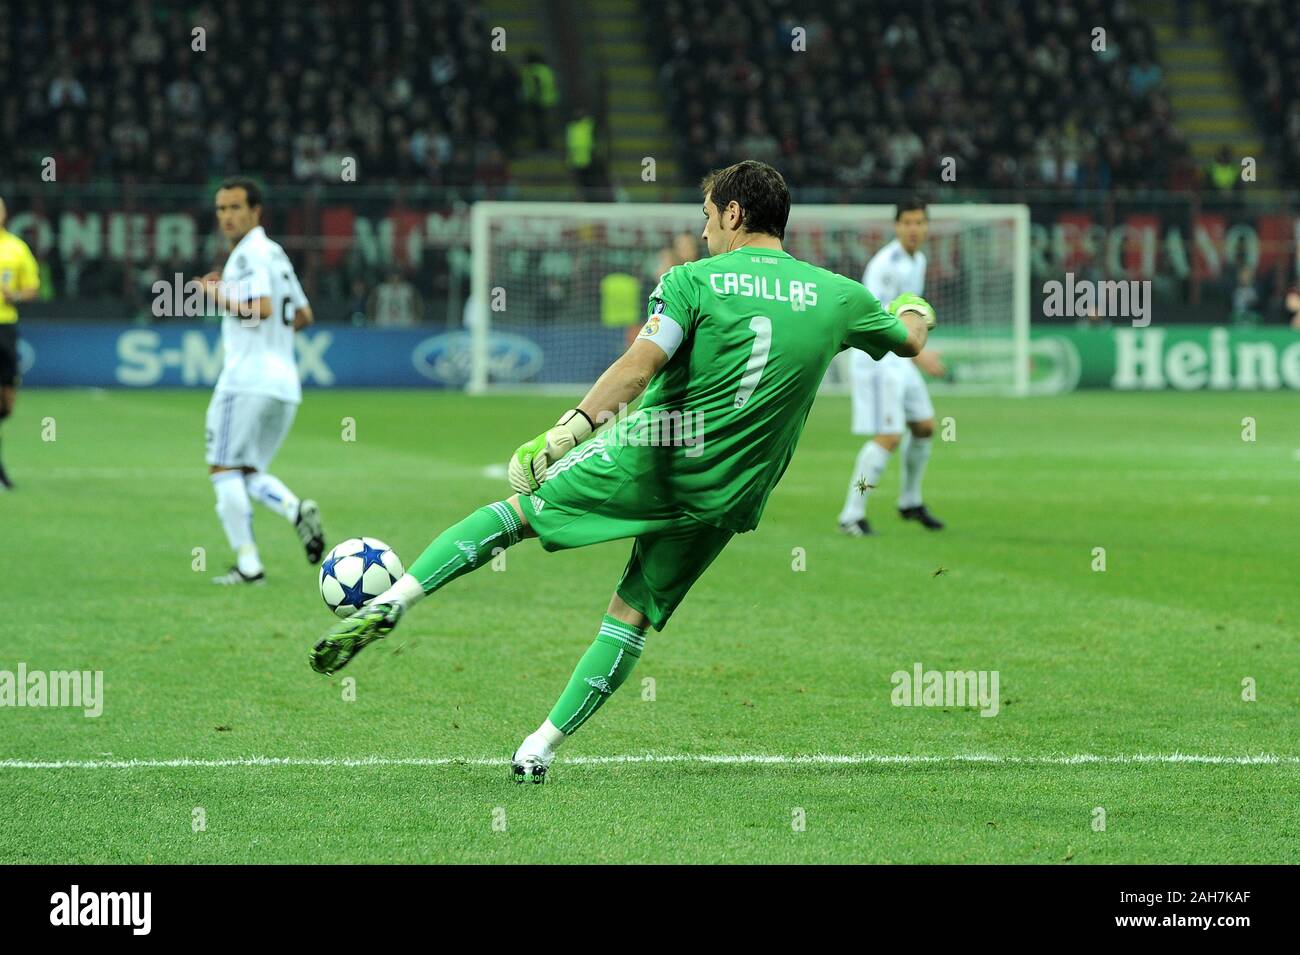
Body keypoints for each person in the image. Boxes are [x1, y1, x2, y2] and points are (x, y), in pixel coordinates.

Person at [307, 160, 935, 782]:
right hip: (732, 495)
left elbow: (638, 368)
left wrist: (565, 432)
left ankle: (394, 601)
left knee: (515, 514)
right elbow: (909, 343)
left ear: (735, 215)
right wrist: (913, 306)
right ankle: (539, 747)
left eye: (710, 218)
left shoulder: (694, 280)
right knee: (630, 614)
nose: (708, 231)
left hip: (658, 454)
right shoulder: (837, 295)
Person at [197, 177, 325, 584]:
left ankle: (249, 564)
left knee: (223, 468)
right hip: (283, 383)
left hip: (245, 380)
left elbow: (263, 308)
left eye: (235, 207)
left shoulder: (248, 255)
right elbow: (302, 316)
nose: (226, 217)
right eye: (221, 209)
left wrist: (216, 295)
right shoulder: (276, 253)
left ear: (256, 211)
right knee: (248, 471)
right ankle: (293, 508)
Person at [838, 198, 947, 536]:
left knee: (925, 426)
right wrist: (919, 354)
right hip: (878, 360)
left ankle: (910, 501)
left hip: (900, 359)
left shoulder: (920, 260)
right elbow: (878, 322)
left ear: (927, 226)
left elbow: (908, 313)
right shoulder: (884, 264)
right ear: (897, 226)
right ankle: (851, 514)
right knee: (889, 436)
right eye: (908, 223)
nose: (914, 229)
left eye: (920, 222)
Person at [0, 196, 40, 490]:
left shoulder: (16, 248)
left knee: (7, 403)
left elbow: (32, 288)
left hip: (6, 327)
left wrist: (13, 295)